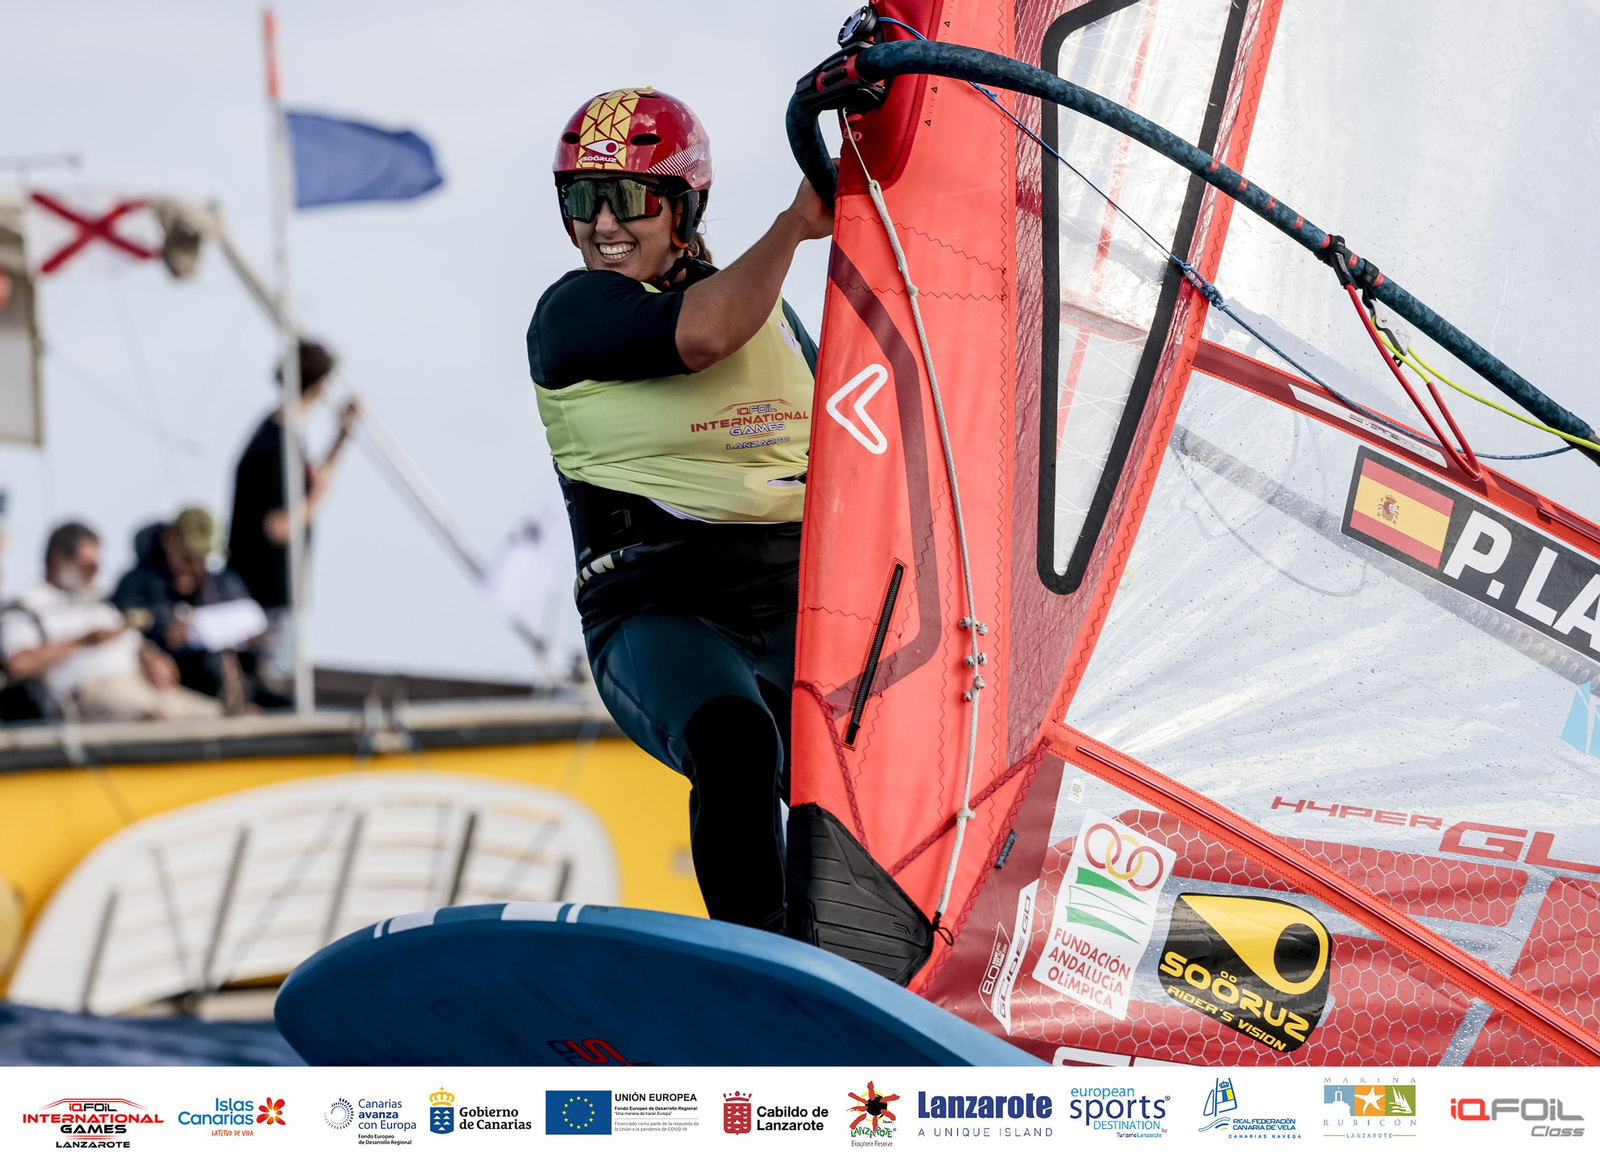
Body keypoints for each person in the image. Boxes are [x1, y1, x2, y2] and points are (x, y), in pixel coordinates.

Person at [528, 88, 831, 931]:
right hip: (657, 611)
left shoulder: (776, 319)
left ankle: (884, 961)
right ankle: (763, 962)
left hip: (791, 603)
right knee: (737, 745)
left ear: (682, 208)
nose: (601, 224)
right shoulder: (572, 312)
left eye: (626, 199)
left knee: (863, 776)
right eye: (581, 201)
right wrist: (798, 222)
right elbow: (701, 336)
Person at [226, 339, 359, 692]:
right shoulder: (275, 445)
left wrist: (341, 437)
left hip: (275, 596)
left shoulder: (282, 435)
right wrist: (317, 498)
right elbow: (279, 526)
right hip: (267, 598)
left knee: (281, 683)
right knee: (277, 688)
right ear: (318, 385)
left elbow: (308, 481)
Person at [0, 521, 219, 722]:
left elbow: (131, 637)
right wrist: (82, 642)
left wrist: (150, 656)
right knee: (154, 719)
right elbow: (17, 664)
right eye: (88, 566)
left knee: (219, 716)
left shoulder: (99, 600)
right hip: (90, 693)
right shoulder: (27, 606)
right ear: (59, 560)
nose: (95, 574)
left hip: (141, 683)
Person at [112, 507, 279, 711]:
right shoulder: (137, 585)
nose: (193, 565)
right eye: (187, 555)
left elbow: (261, 634)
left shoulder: (223, 585)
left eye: (201, 557)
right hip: (170, 689)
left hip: (236, 688)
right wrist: (151, 649)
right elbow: (120, 629)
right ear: (167, 540)